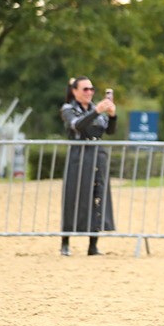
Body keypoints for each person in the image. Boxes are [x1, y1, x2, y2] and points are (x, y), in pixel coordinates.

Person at [60, 76, 117, 256]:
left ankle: (93, 243)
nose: (89, 93)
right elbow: (78, 125)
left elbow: (109, 130)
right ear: (75, 91)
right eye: (85, 89)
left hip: (97, 155)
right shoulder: (68, 109)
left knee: (98, 195)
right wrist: (96, 112)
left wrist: (112, 115)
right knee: (73, 196)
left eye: (91, 89)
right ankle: (65, 242)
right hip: (79, 156)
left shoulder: (95, 109)